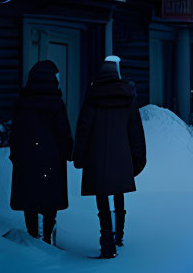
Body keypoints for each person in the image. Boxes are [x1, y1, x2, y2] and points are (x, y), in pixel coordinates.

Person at [74, 56, 146, 259]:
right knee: (118, 192)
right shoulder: (128, 98)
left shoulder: (92, 96)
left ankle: (106, 240)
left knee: (102, 197)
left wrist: (79, 157)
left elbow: (83, 129)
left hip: (97, 157)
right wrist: (138, 158)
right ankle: (119, 235)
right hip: (122, 157)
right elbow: (135, 132)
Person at [9, 60, 73, 245]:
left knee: (30, 197)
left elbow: (16, 132)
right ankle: (46, 236)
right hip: (51, 158)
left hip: (27, 157)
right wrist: (68, 152)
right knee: (49, 198)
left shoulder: (23, 103)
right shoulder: (56, 104)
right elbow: (63, 132)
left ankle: (32, 235)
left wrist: (15, 155)